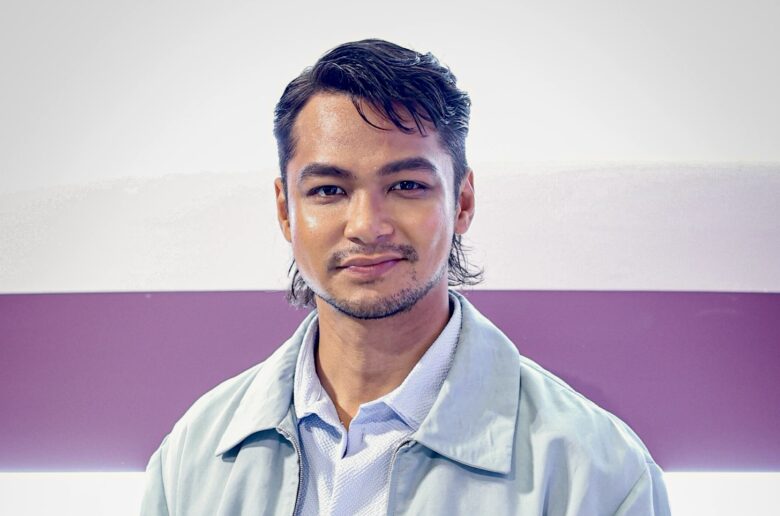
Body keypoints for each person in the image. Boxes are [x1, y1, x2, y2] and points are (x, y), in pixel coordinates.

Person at [141, 39, 671, 515]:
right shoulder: (191, 459)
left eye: (407, 186)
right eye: (328, 190)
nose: (367, 226)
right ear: (285, 210)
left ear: (462, 201)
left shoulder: (597, 473)